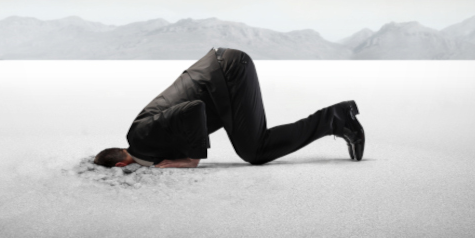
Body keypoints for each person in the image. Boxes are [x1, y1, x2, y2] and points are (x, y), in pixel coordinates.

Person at [94, 47, 365, 169]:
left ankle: (338, 118)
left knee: (254, 150)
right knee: (253, 149)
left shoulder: (142, 137)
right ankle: (336, 118)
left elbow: (194, 109)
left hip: (228, 73)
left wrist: (192, 158)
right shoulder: (144, 143)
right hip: (223, 77)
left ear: (120, 164)